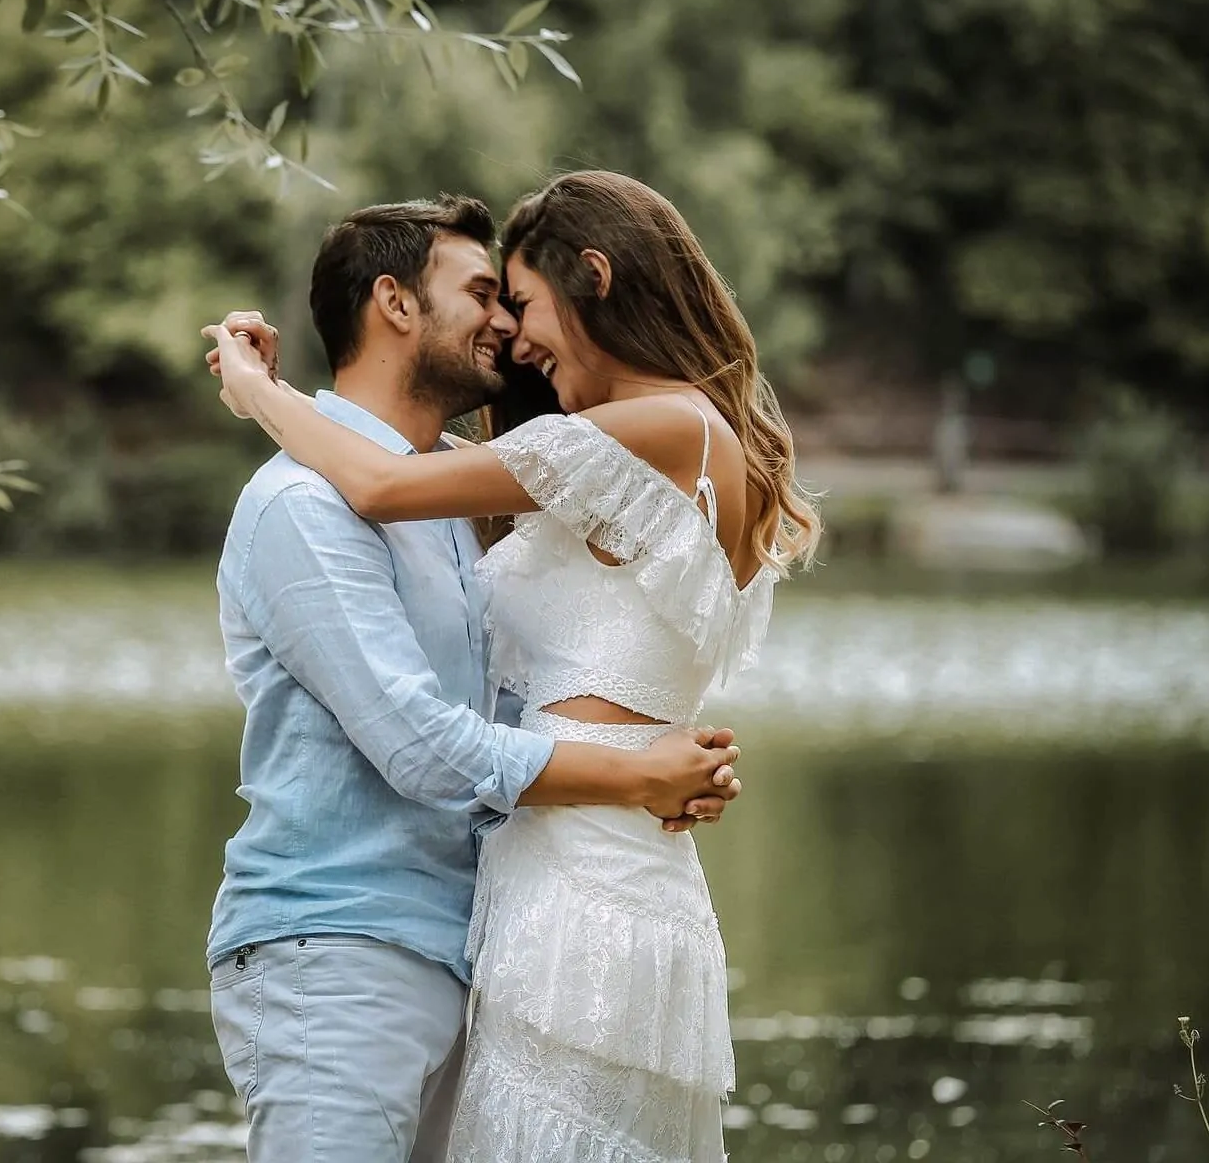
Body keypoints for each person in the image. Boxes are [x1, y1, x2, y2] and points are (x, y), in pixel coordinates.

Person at [205, 170, 821, 1163]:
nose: (511, 332)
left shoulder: (651, 429)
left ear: (596, 279)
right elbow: (454, 706)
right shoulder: (341, 504)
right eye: (488, 297)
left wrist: (255, 391)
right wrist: (644, 768)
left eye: (519, 300)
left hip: (568, 879)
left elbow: (383, 481)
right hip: (471, 900)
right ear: (394, 302)